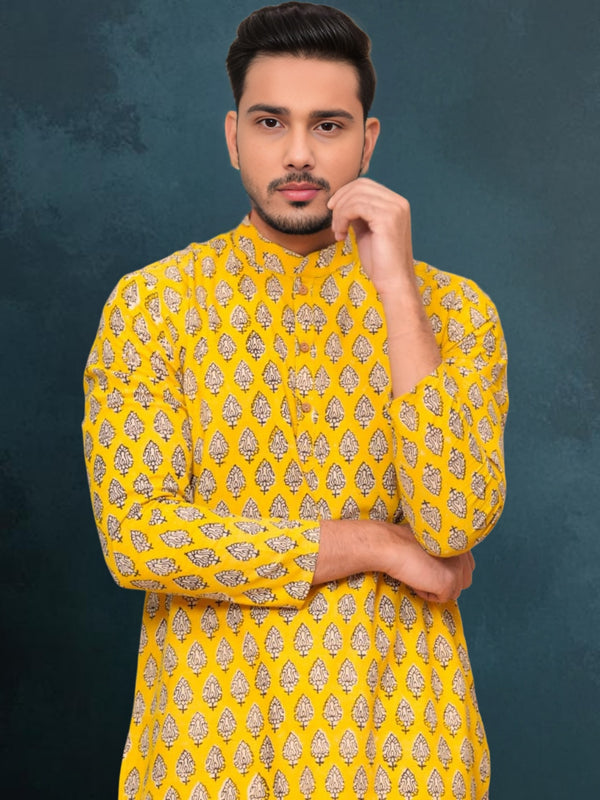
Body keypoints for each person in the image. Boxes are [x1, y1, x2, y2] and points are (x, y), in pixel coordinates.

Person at [82, 3, 508, 798]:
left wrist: (398, 292)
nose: (300, 154)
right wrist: (377, 545)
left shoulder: (454, 311)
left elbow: (456, 520)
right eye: (271, 122)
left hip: (403, 748)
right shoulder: (156, 306)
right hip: (214, 749)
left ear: (368, 141)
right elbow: (139, 537)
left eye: (329, 125)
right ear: (233, 136)